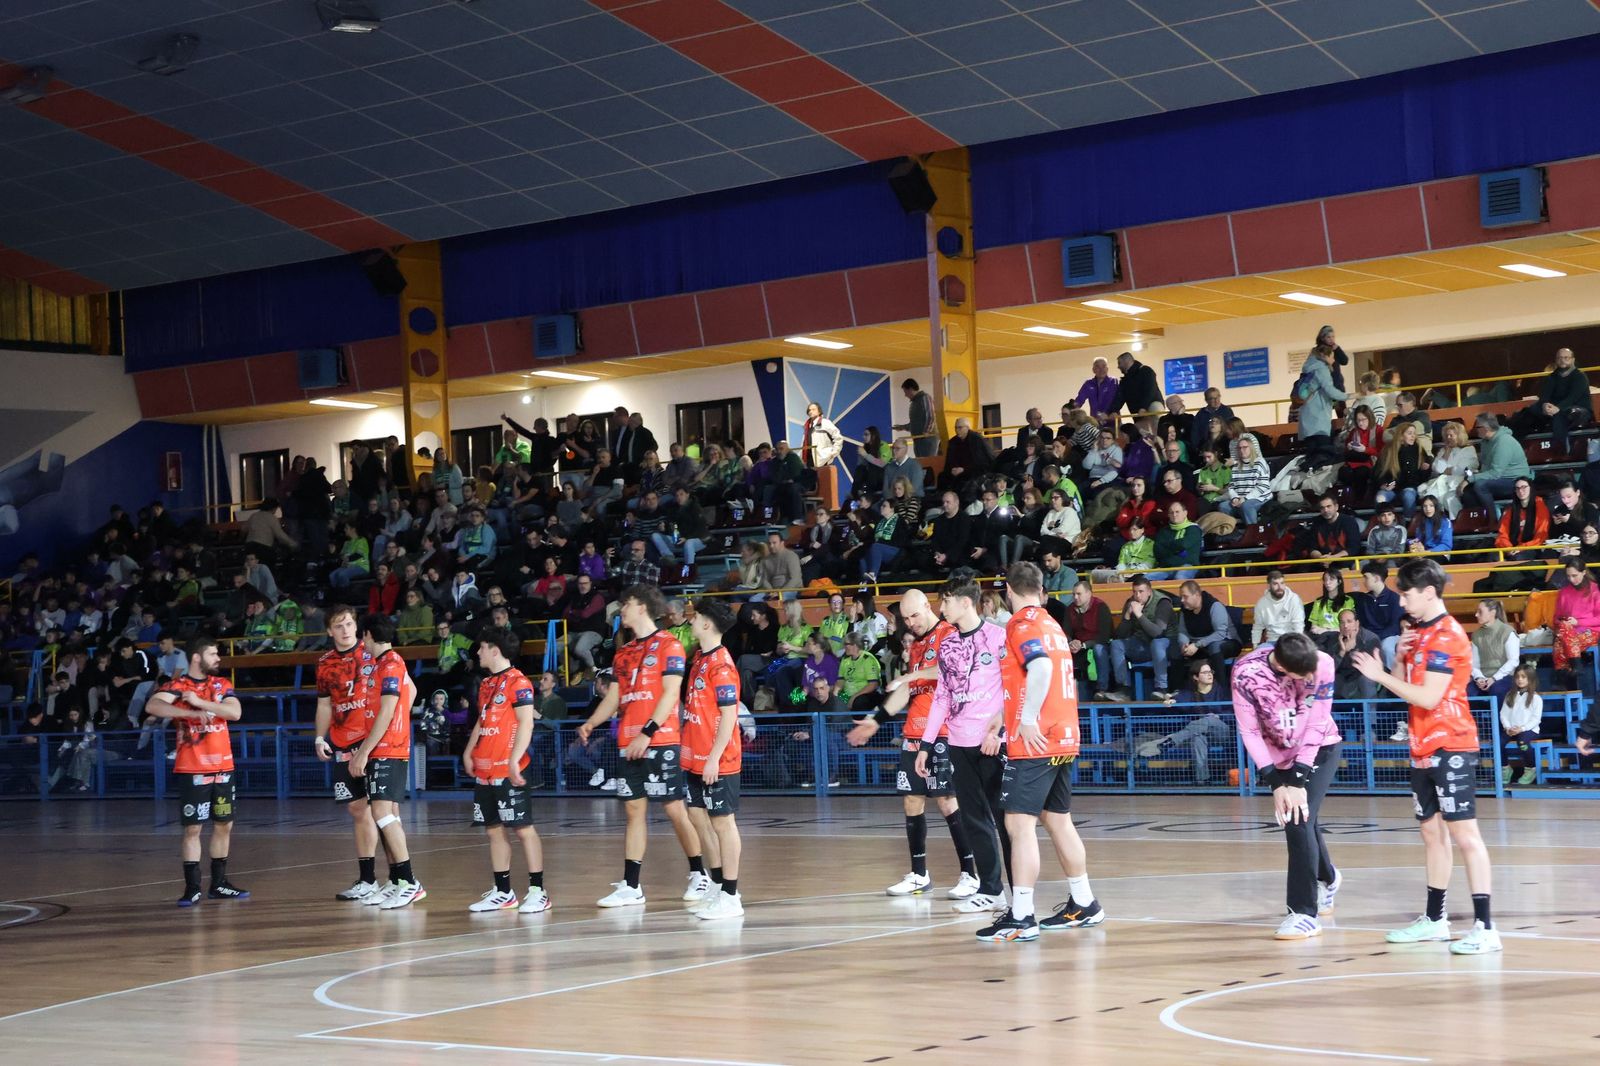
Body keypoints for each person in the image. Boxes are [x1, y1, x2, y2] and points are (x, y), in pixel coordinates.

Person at [1350, 557, 1500, 955]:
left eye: (1406, 593)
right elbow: (1405, 688)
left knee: (1465, 835)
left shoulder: (1448, 636)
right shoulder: (1417, 633)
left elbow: (1431, 697)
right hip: (1420, 745)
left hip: (1451, 744)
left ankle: (1486, 927)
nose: (1401, 601)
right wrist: (1396, 661)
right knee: (1431, 834)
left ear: (1429, 592)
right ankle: (1435, 920)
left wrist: (1378, 676)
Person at [977, 561, 1103, 941]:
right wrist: (1005, 714)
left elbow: (1041, 668)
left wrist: (1027, 719)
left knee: (1018, 824)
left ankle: (1022, 915)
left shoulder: (1021, 624)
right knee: (1057, 819)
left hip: (1036, 740)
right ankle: (1085, 903)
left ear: (1009, 592)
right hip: (1062, 734)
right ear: (1041, 589)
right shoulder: (1053, 625)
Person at [576, 584, 706, 908]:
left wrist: (647, 732)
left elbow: (669, 694)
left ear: (643, 607)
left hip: (658, 740)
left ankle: (700, 874)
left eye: (626, 604)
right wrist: (592, 722)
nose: (621, 610)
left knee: (674, 808)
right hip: (627, 741)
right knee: (634, 811)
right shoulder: (623, 652)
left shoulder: (670, 645)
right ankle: (631, 885)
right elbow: (616, 697)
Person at [844, 589, 977, 900]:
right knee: (911, 802)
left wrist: (909, 676)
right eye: (905, 619)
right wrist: (876, 719)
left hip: (942, 730)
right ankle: (919, 874)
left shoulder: (948, 633)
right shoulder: (916, 646)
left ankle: (970, 874)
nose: (911, 623)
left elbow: (946, 672)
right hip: (914, 732)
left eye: (914, 615)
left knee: (947, 802)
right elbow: (908, 688)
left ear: (927, 607)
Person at [1232, 632, 1342, 939]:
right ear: (1282, 665)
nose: (1310, 676)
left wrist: (1297, 779)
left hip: (1321, 748)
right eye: (1301, 674)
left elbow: (1319, 721)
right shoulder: (1245, 673)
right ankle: (1328, 879)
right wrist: (1275, 782)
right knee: (1306, 821)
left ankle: (1304, 913)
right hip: (1278, 757)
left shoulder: (1323, 664)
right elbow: (1249, 731)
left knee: (1296, 820)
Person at [918, 575, 1013, 912]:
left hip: (992, 745)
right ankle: (991, 890)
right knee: (974, 819)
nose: (940, 607)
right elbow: (942, 696)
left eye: (945, 600)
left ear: (964, 602)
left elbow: (1013, 689)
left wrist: (998, 733)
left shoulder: (999, 637)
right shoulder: (947, 644)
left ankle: (1021, 897)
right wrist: (926, 745)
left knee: (1007, 821)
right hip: (958, 743)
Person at [144, 636, 248, 906]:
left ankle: (219, 884)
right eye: (213, 654)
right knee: (193, 829)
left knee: (225, 824)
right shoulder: (179, 685)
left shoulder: (221, 684)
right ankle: (192, 888)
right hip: (193, 768)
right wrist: (188, 713)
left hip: (223, 766)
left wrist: (201, 704)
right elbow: (153, 706)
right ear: (197, 658)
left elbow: (234, 713)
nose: (218, 659)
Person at [460, 626, 550, 913]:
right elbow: (482, 721)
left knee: (523, 829)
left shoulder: (519, 682)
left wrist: (514, 758)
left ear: (495, 650)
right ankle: (503, 892)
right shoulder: (486, 684)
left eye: (482, 647)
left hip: (507, 769)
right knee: (493, 831)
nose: (478, 652)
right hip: (485, 771)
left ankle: (538, 891)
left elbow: (526, 723)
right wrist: (469, 750)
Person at [346, 614, 424, 909]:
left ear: (367, 634)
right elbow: (412, 691)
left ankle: (410, 881)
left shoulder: (390, 664)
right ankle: (397, 881)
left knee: (381, 812)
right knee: (388, 812)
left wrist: (364, 751)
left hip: (386, 748)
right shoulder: (389, 663)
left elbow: (388, 709)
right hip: (389, 745)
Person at [680, 598, 747, 920]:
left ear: (707, 624)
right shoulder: (699, 659)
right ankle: (719, 885)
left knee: (723, 822)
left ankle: (732, 895)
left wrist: (713, 759)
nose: (691, 623)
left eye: (695, 618)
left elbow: (729, 716)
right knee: (696, 815)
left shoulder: (721, 665)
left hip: (717, 758)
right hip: (694, 754)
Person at [314, 606, 386, 903]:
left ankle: (400, 878)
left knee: (385, 811)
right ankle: (368, 879)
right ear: (330, 631)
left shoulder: (373, 654)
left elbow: (399, 693)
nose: (345, 629)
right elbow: (324, 704)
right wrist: (320, 737)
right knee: (358, 811)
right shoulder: (324, 663)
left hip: (372, 742)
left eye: (349, 623)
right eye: (338, 625)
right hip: (343, 744)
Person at [1106, 574, 1177, 702]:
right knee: (1116, 645)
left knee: (1157, 643)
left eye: (1141, 592)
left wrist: (1139, 615)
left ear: (1149, 591)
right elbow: (1120, 635)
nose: (1137, 596)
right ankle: (1123, 689)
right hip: (1142, 644)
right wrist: (1127, 616)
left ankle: (1161, 688)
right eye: (1134, 592)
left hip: (1167, 645)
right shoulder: (1130, 603)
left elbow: (1158, 633)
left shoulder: (1162, 602)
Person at [1509, 347, 1591, 451]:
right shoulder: (1551, 378)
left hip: (1577, 410)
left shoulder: (1580, 377)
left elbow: (1573, 397)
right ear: (1556, 360)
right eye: (1560, 358)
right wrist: (1544, 405)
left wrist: (1558, 408)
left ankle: (1561, 447)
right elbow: (1544, 396)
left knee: (1562, 413)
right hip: (1552, 409)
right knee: (1530, 411)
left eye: (1566, 357)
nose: (1562, 360)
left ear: (1572, 360)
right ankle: (1515, 446)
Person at [1175, 580, 1241, 693]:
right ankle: (1177, 691)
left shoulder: (1214, 606)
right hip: (1200, 645)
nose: (1182, 600)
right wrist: (1184, 645)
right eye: (1181, 597)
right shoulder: (1184, 610)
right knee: (1175, 651)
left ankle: (1221, 691)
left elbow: (1220, 633)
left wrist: (1197, 645)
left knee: (1215, 648)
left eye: (1185, 597)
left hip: (1227, 642)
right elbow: (1182, 631)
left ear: (1196, 595)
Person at [1463, 413, 1532, 519]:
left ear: (1486, 428)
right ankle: (1478, 520)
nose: (1475, 430)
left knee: (1480, 486)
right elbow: (1487, 467)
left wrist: (1470, 479)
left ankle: (1493, 520)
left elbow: (1495, 473)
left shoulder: (1503, 442)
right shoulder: (1485, 442)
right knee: (1467, 491)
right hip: (1500, 477)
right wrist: (1476, 475)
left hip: (1515, 480)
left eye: (1477, 427)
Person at [1294, 345, 1345, 467]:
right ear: (1324, 357)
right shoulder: (1323, 374)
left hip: (1307, 427)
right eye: (1331, 357)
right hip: (1321, 425)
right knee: (1323, 461)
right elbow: (1334, 396)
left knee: (1311, 460)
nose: (1333, 360)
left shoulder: (1304, 375)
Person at [1552, 558, 1600, 685]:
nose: (1571, 579)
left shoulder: (1595, 590)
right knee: (1563, 632)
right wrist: (1564, 622)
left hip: (1591, 631)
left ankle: (1564, 680)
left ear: (1584, 572)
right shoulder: (1564, 592)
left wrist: (1577, 622)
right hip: (1568, 631)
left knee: (1560, 643)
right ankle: (1576, 665)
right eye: (1568, 576)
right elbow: (1556, 618)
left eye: (1574, 575)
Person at [1469, 599, 1520, 708]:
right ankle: (1478, 724)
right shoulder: (1476, 635)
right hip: (1484, 677)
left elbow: (1513, 661)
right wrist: (1479, 678)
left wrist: (1494, 678)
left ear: (1492, 613)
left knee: (1497, 690)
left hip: (1504, 677)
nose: (1476, 614)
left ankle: (1500, 724)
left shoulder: (1507, 632)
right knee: (1469, 691)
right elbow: (1474, 664)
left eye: (1480, 611)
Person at [1354, 561, 1404, 667]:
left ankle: (1391, 678)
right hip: (1368, 636)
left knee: (1386, 647)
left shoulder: (1394, 599)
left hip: (1389, 636)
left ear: (1376, 578)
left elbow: (1395, 626)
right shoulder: (1363, 599)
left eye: (1366, 578)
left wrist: (1376, 637)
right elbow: (1360, 623)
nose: (1364, 581)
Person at [1499, 664, 1542, 786]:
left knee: (1523, 744)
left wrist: (1522, 728)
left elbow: (1536, 719)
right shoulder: (1510, 695)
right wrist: (1507, 727)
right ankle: (1505, 768)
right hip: (1511, 729)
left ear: (1531, 678)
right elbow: (1504, 714)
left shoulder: (1536, 698)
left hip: (1528, 730)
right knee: (1498, 743)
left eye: (1524, 677)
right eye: (1517, 677)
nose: (1520, 679)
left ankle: (1530, 768)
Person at [1332, 609, 1382, 700]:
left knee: (1366, 679)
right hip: (1343, 676)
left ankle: (1370, 714)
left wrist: (1354, 647)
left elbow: (1368, 667)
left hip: (1362, 675)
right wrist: (1342, 652)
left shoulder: (1370, 638)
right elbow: (1330, 668)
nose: (1345, 626)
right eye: (1342, 622)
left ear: (1357, 623)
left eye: (1349, 622)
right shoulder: (1334, 639)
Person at [1305, 566, 1355, 657]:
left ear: (1339, 582)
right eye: (1325, 580)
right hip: (1320, 637)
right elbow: (1314, 627)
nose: (1327, 583)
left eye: (1331, 579)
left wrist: (1326, 629)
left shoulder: (1348, 601)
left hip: (1339, 636)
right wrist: (1325, 630)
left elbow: (1347, 627)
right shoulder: (1318, 602)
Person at [1253, 570, 1305, 645]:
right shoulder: (1261, 603)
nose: (1280, 587)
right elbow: (1257, 627)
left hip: (1291, 641)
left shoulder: (1294, 599)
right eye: (1275, 584)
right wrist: (1255, 645)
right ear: (1269, 585)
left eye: (1282, 583)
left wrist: (1298, 644)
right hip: (1271, 642)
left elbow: (1298, 625)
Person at [1307, 494, 1363, 563]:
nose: (1326, 510)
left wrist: (1333, 558)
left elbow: (1354, 548)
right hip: (1321, 563)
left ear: (1336, 507)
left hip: (1346, 562)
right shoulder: (1316, 523)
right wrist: (1321, 558)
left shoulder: (1349, 521)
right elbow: (1312, 548)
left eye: (1328, 506)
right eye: (1322, 508)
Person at [1109, 350, 1161, 417]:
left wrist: (1143, 407)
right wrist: (1114, 411)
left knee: (1156, 420)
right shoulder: (1125, 381)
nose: (1118, 366)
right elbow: (1120, 397)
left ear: (1126, 361)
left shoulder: (1145, 371)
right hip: (1138, 412)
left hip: (1150, 407)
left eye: (1119, 363)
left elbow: (1151, 390)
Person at [895, 378, 939, 457]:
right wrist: (902, 427)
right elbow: (915, 424)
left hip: (927, 440)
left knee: (928, 463)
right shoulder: (914, 403)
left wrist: (927, 431)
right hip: (918, 439)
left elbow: (931, 416)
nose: (905, 395)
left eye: (905, 392)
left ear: (911, 389)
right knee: (921, 463)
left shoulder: (925, 397)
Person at [1074, 357, 1119, 422]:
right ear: (1093, 370)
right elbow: (1079, 400)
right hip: (1095, 423)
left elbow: (1118, 400)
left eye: (1104, 366)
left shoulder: (1114, 381)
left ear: (1107, 369)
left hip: (1112, 421)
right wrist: (1073, 412)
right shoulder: (1088, 384)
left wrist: (1108, 413)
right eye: (1098, 367)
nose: (1101, 369)